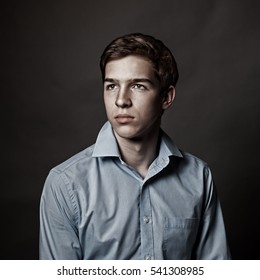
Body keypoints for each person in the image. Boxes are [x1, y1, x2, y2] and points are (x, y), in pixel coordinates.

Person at [39, 33, 231, 260]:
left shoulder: (198, 177)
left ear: (166, 97)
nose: (121, 100)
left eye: (138, 86)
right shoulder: (64, 184)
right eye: (111, 86)